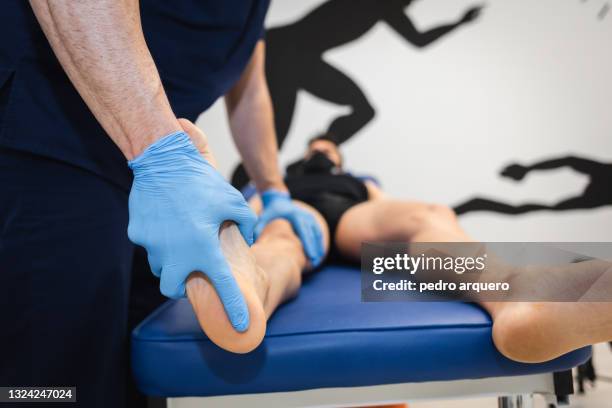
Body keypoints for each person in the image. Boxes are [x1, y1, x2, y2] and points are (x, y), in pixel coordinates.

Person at [0, 2, 323, 407]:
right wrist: (159, 150)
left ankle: (258, 279)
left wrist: (274, 190)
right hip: (55, 137)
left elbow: (250, 89)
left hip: (153, 170)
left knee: (131, 372)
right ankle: (257, 279)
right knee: (52, 382)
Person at [210, 130, 612, 364]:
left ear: (338, 157)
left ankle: (518, 299)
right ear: (304, 153)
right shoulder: (276, 176)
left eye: (329, 148)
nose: (321, 150)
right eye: (316, 146)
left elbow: (383, 208)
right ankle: (247, 294)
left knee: (426, 217)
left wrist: (398, 243)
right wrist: (256, 217)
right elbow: (253, 208)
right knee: (279, 238)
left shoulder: (358, 179)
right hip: (294, 212)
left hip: (352, 216)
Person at [231, 0, 483, 187]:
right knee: (273, 140)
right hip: (287, 49)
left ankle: (322, 146)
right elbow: (419, 39)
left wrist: (459, 22)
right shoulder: (381, 5)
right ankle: (236, 194)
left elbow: (418, 39)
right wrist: (459, 22)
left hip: (299, 56)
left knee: (362, 111)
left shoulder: (388, 10)